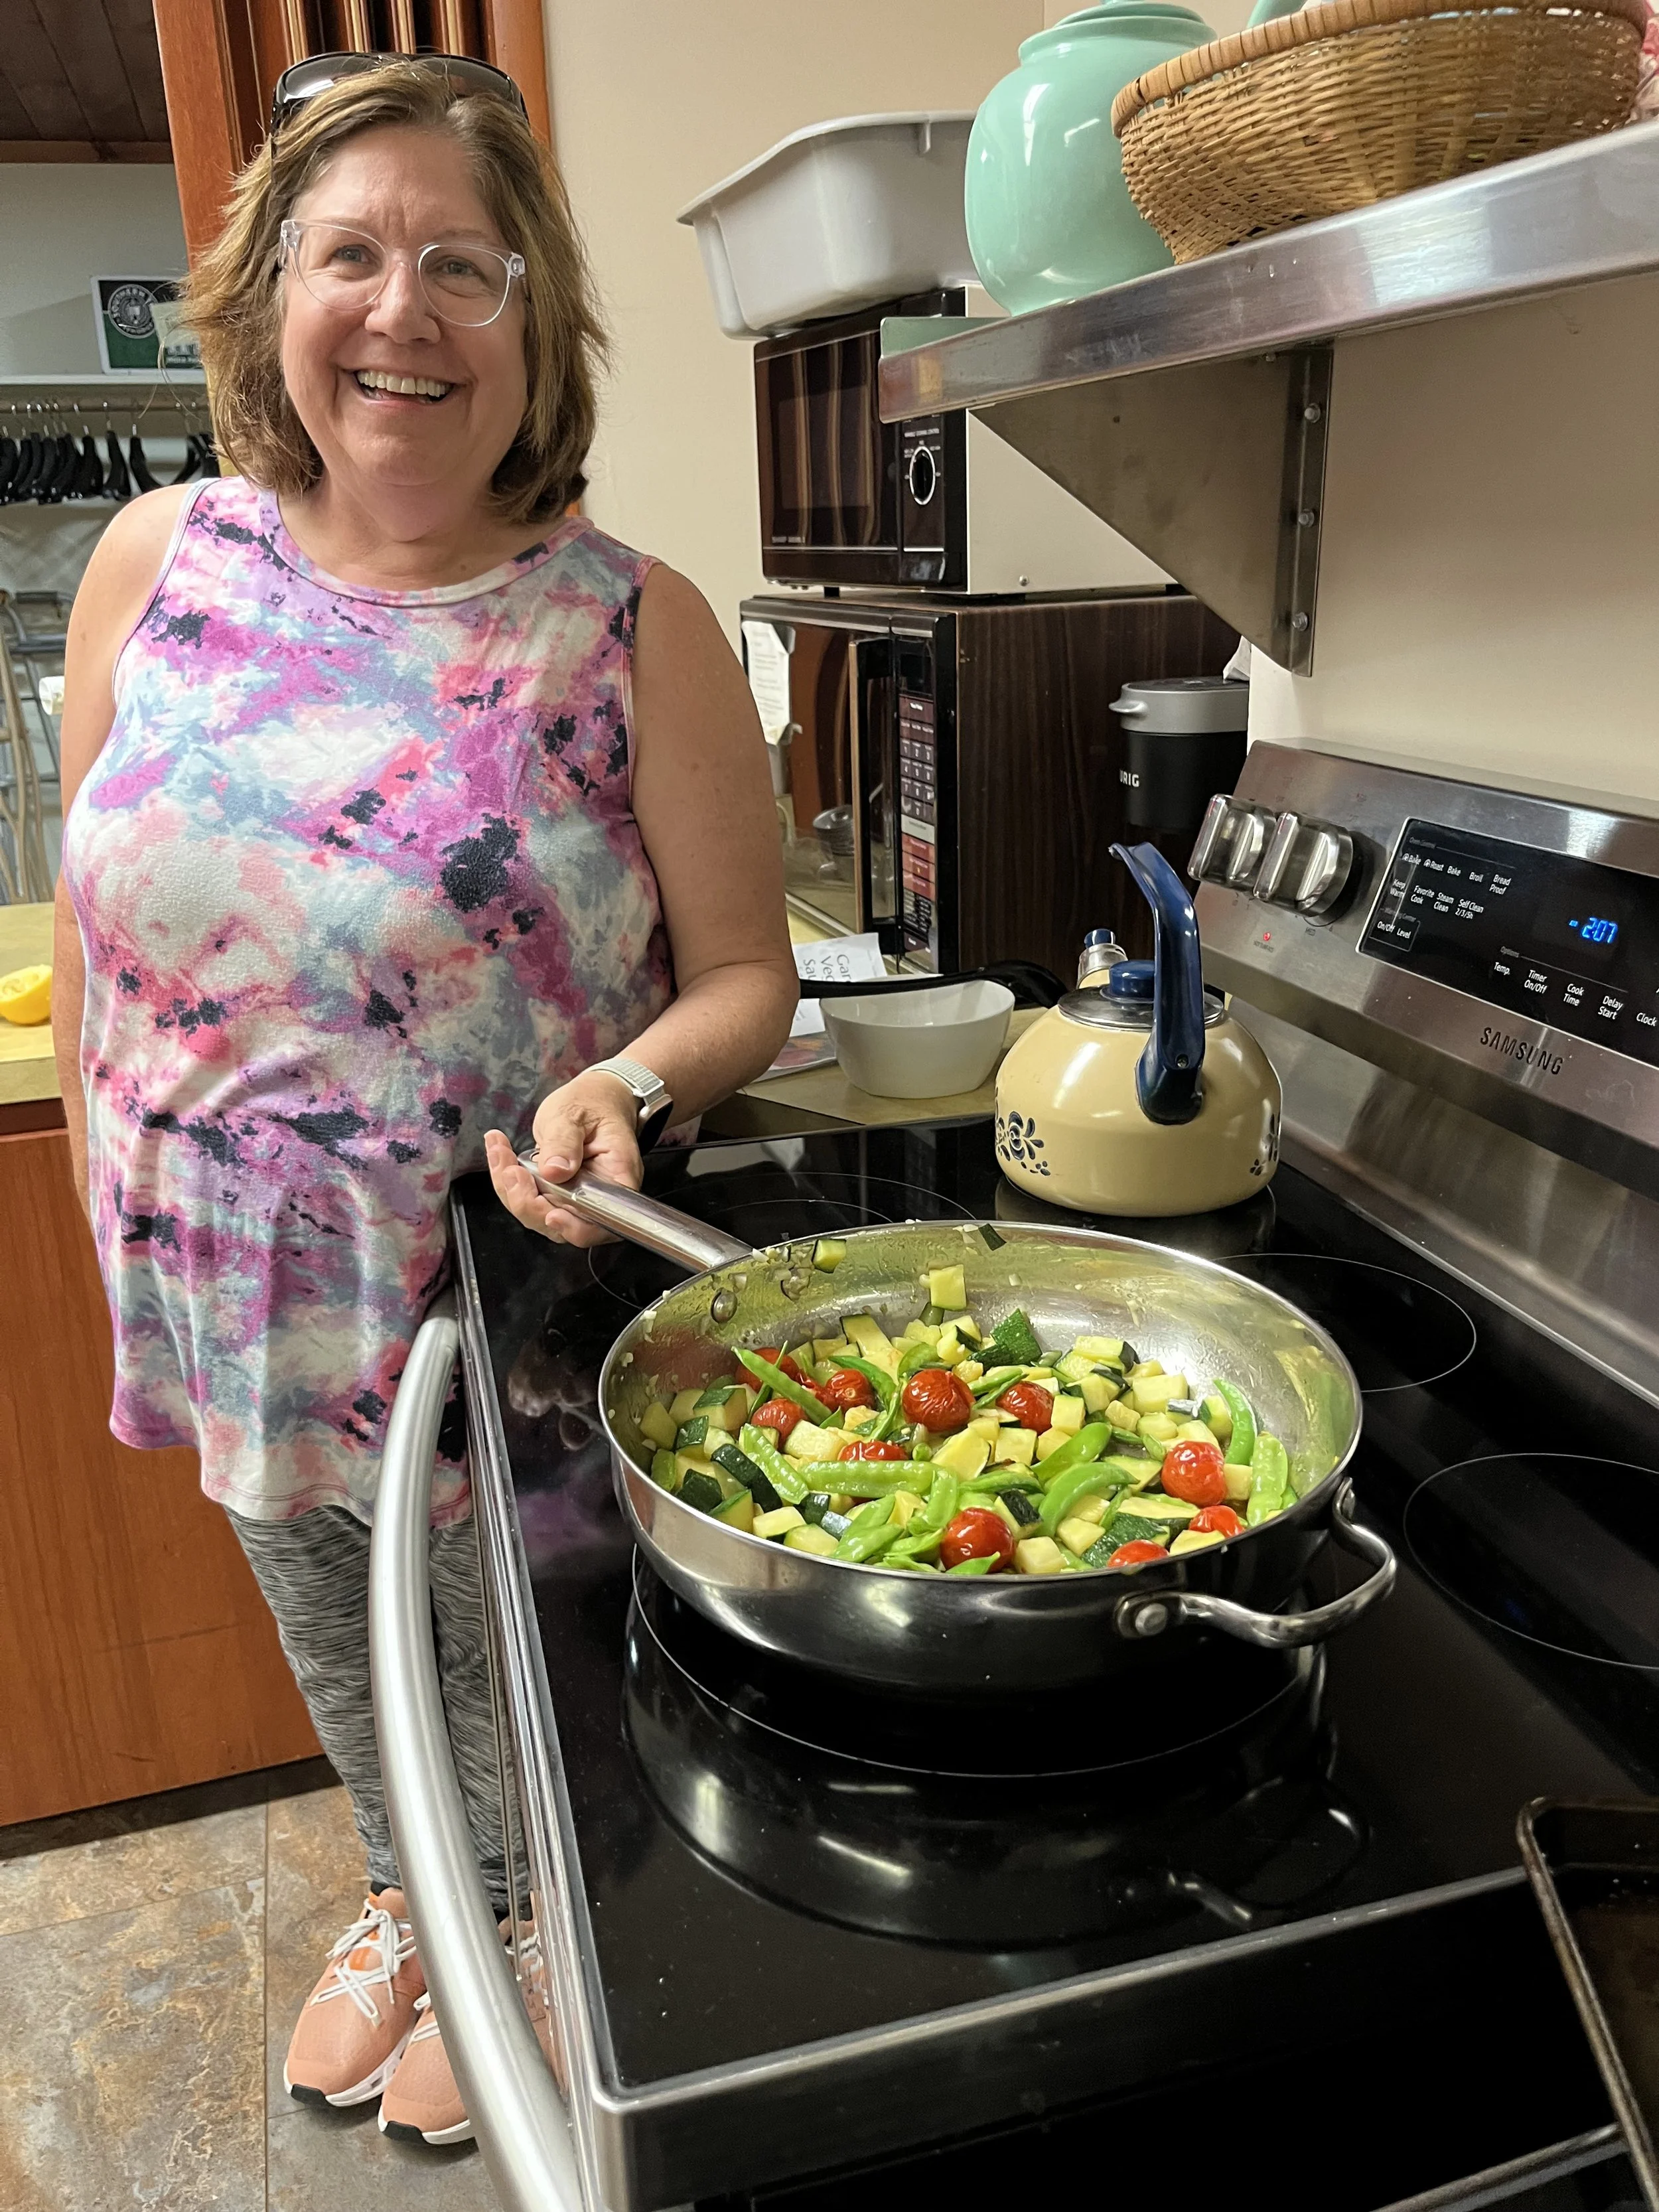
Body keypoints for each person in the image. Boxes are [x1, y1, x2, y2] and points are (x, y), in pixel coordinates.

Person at [52, 53, 794, 2152]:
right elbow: (100, 881)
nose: (403, 311)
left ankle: (547, 1924)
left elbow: (745, 976)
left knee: (512, 1659)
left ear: (534, 323)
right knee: (325, 1621)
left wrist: (632, 1078)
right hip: (221, 1270)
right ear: (270, 296)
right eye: (350, 254)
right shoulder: (151, 561)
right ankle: (418, 1889)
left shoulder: (625, 625)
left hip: (493, 1288)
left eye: (459, 266)